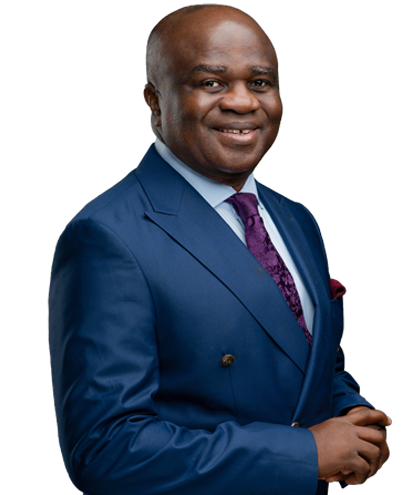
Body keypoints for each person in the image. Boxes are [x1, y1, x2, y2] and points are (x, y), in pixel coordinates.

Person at [49, 5, 390, 495]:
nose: (242, 102)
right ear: (155, 101)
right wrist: (305, 453)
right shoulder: (107, 237)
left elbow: (306, 363)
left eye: (260, 82)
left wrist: (350, 413)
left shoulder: (296, 219)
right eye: (211, 83)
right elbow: (105, 450)